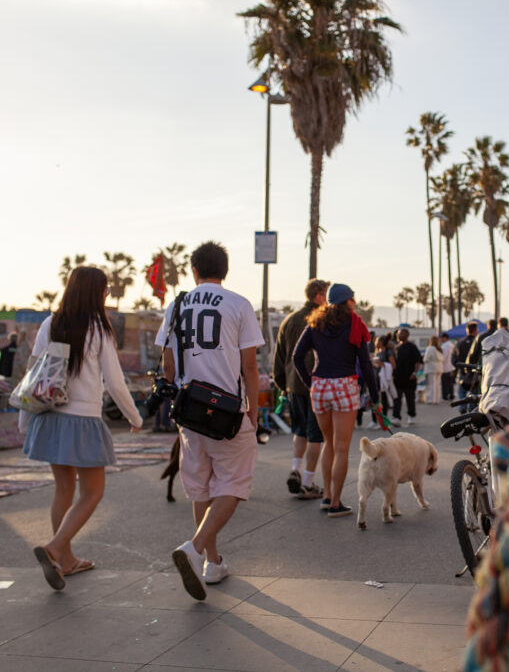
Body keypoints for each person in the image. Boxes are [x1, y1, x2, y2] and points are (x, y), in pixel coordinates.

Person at [20, 266, 143, 591]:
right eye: (105, 290)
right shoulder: (99, 329)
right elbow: (115, 382)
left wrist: (25, 419)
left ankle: (66, 559)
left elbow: (33, 374)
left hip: (49, 417)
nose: (107, 295)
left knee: (64, 489)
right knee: (93, 492)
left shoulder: (51, 322)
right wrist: (135, 417)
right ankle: (55, 548)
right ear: (95, 293)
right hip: (83, 420)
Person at [159, 242, 264, 600]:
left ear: (193, 271)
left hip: (189, 412)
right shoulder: (238, 304)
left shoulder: (177, 305)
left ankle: (212, 561)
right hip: (226, 410)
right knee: (233, 484)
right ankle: (196, 548)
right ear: (226, 270)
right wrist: (253, 409)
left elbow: (168, 366)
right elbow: (249, 365)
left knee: (201, 487)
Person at [293, 283, 379, 518]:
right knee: (341, 448)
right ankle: (336, 504)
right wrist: (375, 395)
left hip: (320, 386)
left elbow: (297, 356)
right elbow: (366, 365)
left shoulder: (315, 323)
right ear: (348, 301)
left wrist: (310, 381)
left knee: (328, 443)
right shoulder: (355, 324)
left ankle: (327, 496)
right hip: (344, 385)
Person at [272, 278, 328, 500]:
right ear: (318, 296)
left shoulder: (289, 320)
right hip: (316, 384)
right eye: (325, 294)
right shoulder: (322, 319)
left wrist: (282, 384)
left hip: (293, 385)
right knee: (316, 436)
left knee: (299, 432)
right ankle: (307, 482)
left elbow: (280, 356)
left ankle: (295, 468)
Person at [392, 328, 422, 425]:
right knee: (397, 399)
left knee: (410, 398)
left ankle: (411, 416)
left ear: (406, 335)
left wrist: (415, 373)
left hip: (410, 378)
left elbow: (418, 361)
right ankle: (396, 418)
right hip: (398, 378)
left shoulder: (412, 347)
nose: (398, 335)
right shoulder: (396, 347)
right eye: (398, 334)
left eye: (401, 334)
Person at [452, 322, 480, 412]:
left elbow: (454, 359)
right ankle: (471, 411)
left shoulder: (460, 342)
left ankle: (462, 408)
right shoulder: (478, 342)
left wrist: (459, 367)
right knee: (474, 393)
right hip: (475, 373)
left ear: (467, 330)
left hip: (463, 372)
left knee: (461, 391)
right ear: (475, 330)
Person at [423, 335, 444, 404]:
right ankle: (437, 399)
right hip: (439, 367)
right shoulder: (439, 348)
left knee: (432, 384)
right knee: (438, 384)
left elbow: (426, 359)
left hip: (431, 368)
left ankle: (432, 399)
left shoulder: (430, 348)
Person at [440, 333, 456, 400]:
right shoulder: (452, 345)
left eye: (442, 338)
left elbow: (443, 357)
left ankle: (445, 396)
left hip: (445, 367)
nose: (441, 339)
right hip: (451, 367)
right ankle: (451, 394)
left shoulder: (445, 346)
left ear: (445, 338)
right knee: (450, 383)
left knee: (445, 383)